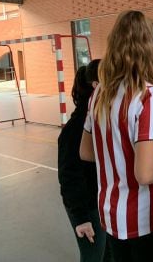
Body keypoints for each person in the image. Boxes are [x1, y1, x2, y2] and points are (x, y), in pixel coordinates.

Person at [79, 11, 153, 262]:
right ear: (152, 50)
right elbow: (145, 173)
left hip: (111, 214)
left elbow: (86, 152)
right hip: (144, 217)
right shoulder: (149, 95)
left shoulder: (100, 91)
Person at [58, 60, 111, 262]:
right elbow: (68, 176)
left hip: (102, 203)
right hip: (87, 208)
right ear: (97, 86)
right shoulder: (76, 128)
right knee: (93, 256)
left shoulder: (103, 118)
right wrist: (81, 219)